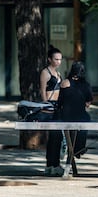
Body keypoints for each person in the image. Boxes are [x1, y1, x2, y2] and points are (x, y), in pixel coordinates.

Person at [55, 61, 93, 159]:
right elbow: (88, 103)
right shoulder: (86, 85)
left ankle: (72, 148)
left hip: (66, 115)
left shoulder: (65, 83)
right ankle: (79, 148)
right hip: (80, 115)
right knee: (86, 120)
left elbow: (60, 101)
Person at [40, 46, 64, 177]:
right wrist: (45, 104)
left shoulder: (58, 74)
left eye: (60, 59)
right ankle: (50, 164)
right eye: (56, 59)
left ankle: (56, 163)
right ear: (50, 59)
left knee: (58, 136)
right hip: (49, 105)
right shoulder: (46, 72)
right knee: (53, 136)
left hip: (58, 105)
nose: (58, 62)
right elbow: (43, 89)